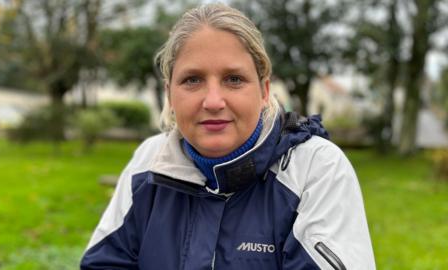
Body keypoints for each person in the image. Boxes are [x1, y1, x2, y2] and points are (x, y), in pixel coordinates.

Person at [80, 3, 375, 269]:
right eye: (192, 80)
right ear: (169, 93)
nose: (213, 101)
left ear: (264, 91)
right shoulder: (148, 161)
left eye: (234, 79)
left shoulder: (317, 169)